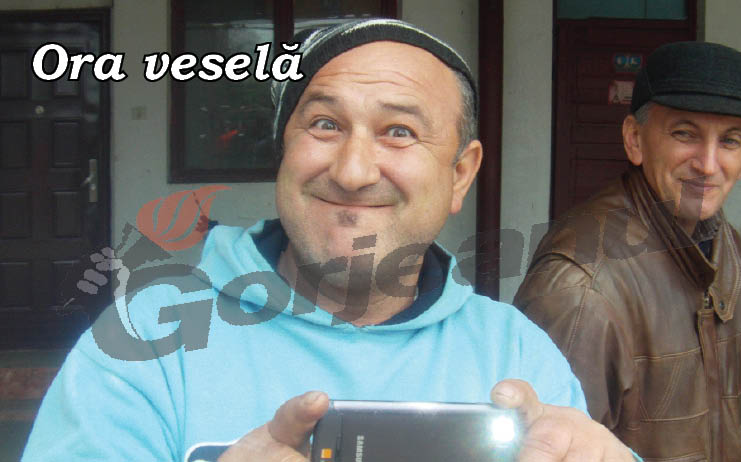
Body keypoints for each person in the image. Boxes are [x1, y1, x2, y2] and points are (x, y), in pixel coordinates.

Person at [23, 19, 637, 462]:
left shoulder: (516, 353)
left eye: (399, 131)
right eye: (325, 124)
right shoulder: (147, 339)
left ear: (459, 175)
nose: (353, 171)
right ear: (283, 152)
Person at [514, 41, 741, 462]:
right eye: (685, 134)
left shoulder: (728, 249)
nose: (708, 164)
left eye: (730, 140)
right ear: (634, 139)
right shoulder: (581, 288)